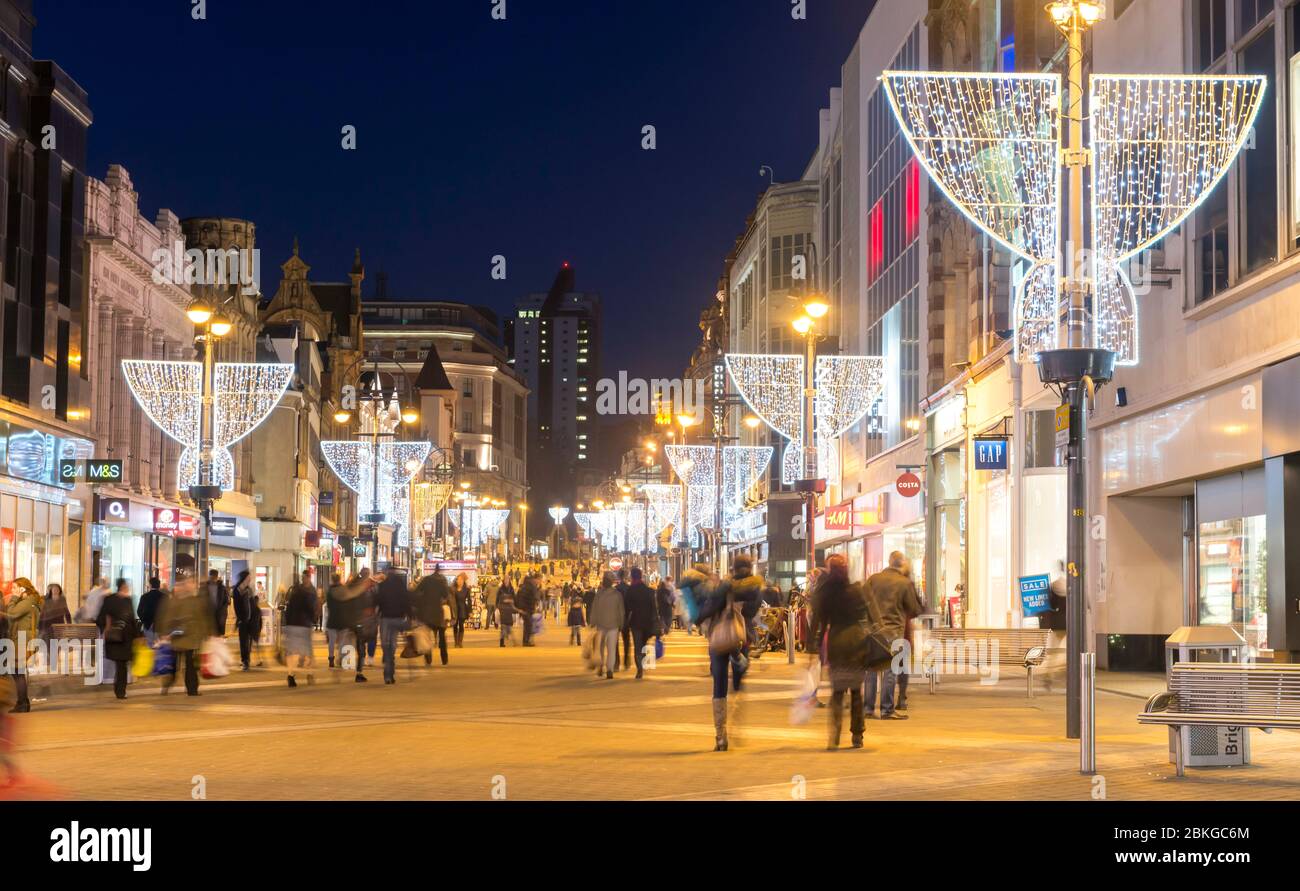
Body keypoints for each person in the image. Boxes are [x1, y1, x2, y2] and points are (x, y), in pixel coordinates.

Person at [695, 557, 763, 751]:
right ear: (750, 568)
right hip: (742, 637)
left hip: (719, 639)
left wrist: (699, 618)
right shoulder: (755, 587)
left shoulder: (725, 585)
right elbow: (751, 611)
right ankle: (735, 716)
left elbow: (709, 608)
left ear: (733, 568)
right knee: (738, 683)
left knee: (719, 685)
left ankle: (720, 736)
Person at [809, 554, 870, 749]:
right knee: (856, 692)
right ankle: (857, 735)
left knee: (837, 692)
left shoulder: (825, 593)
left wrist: (813, 647)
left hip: (836, 643)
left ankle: (834, 735)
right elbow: (868, 615)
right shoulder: (856, 590)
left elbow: (818, 621)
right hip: (856, 642)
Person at [864, 551, 922, 720]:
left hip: (872, 632)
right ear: (902, 564)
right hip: (894, 631)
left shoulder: (873, 579)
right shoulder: (904, 583)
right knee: (890, 670)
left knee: (871, 669)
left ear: (889, 562)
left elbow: (863, 601)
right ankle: (886, 710)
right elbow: (914, 609)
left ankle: (868, 709)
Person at [156, 576, 211, 696]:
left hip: (187, 638)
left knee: (188, 665)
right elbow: (167, 617)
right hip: (179, 637)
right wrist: (164, 633)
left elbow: (202, 618)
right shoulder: (178, 600)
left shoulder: (190, 600)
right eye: (190, 583)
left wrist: (204, 633)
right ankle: (173, 685)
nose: (191, 586)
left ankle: (189, 688)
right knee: (178, 665)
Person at [96, 578, 141, 701]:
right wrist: (104, 629)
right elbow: (101, 617)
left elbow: (132, 619)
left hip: (126, 637)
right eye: (126, 586)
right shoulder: (111, 600)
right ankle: (120, 690)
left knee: (122, 665)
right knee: (121, 664)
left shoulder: (127, 600)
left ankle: (120, 690)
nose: (128, 588)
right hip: (116, 636)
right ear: (121, 587)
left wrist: (137, 636)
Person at [2, 579, 42, 713]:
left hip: (22, 641)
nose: (12, 590)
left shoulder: (27, 602)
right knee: (17, 672)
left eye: (15, 588)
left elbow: (12, 614)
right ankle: (23, 702)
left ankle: (22, 703)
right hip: (22, 640)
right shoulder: (29, 601)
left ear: (23, 589)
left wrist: (14, 598)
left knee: (17, 672)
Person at [623, 567, 660, 680]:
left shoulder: (630, 591)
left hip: (635, 622)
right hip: (648, 622)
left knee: (637, 645)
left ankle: (640, 668)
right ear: (641, 576)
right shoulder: (649, 591)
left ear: (632, 577)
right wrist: (656, 621)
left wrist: (625, 621)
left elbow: (627, 608)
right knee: (644, 644)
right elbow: (654, 608)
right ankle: (644, 662)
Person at [374, 571, 412, 684]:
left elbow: (377, 601)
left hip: (385, 619)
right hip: (397, 619)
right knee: (393, 644)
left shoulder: (382, 586)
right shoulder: (401, 587)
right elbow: (407, 602)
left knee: (386, 645)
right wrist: (409, 616)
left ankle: (387, 673)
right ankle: (390, 672)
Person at [283, 572, 319, 688]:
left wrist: (286, 625)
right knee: (308, 651)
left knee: (291, 652)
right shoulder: (309, 593)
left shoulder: (293, 592)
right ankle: (309, 673)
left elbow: (287, 609)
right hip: (304, 625)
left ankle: (290, 675)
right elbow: (311, 609)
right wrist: (313, 620)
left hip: (292, 625)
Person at [413, 568, 451, 666]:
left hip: (426, 613)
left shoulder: (426, 580)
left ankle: (428, 658)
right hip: (438, 613)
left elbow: (416, 592)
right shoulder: (442, 581)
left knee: (427, 636)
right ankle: (444, 658)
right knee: (442, 636)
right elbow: (446, 595)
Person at [589, 572, 624, 679]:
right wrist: (621, 624)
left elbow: (594, 609)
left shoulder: (599, 594)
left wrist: (592, 622)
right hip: (613, 626)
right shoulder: (617, 595)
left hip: (601, 625)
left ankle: (600, 666)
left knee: (600, 648)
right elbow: (621, 611)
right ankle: (609, 670)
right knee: (612, 649)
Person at [324, 573, 354, 672]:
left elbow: (328, 605)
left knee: (332, 641)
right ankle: (340, 658)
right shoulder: (344, 590)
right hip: (343, 619)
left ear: (332, 580)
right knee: (342, 641)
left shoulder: (330, 592)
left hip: (332, 619)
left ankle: (331, 658)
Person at [231, 571, 259, 670]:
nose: (250, 579)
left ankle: (247, 660)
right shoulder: (237, 590)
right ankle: (245, 660)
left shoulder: (249, 589)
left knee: (248, 641)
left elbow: (252, 605)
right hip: (243, 620)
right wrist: (239, 619)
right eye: (248, 577)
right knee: (243, 642)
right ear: (244, 578)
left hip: (251, 620)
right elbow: (237, 607)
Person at [137, 578, 166, 647]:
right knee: (159, 646)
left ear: (150, 585)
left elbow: (139, 611)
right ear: (159, 586)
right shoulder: (164, 597)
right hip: (160, 626)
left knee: (149, 645)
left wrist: (144, 620)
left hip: (148, 625)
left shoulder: (144, 596)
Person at [516, 574, 539, 647]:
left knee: (527, 625)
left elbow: (519, 597)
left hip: (525, 608)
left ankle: (526, 641)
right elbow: (534, 597)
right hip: (528, 609)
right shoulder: (531, 586)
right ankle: (526, 641)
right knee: (528, 625)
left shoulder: (524, 586)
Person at [207, 569, 230, 638]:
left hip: (220, 615)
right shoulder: (205, 587)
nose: (213, 578)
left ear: (217, 577)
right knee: (209, 636)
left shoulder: (222, 588)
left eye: (214, 577)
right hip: (209, 615)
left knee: (218, 635)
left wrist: (222, 610)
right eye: (211, 577)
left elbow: (227, 601)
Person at [451, 573, 472, 647]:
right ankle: (456, 642)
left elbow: (469, 600)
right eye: (457, 579)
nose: (458, 581)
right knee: (455, 625)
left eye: (460, 579)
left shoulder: (466, 589)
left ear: (463, 581)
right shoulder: (453, 588)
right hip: (454, 609)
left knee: (461, 625)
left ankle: (460, 642)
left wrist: (470, 611)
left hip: (463, 608)